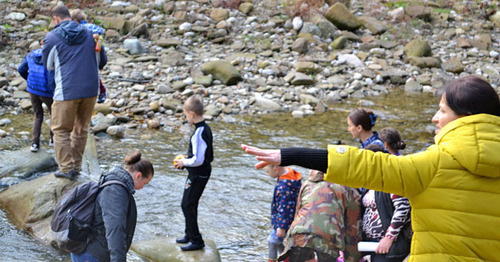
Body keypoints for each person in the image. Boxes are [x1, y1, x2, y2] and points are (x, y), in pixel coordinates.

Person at [241, 75, 500, 261]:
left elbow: (366, 166)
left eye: (442, 110)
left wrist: (289, 154)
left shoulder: (436, 163)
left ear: (465, 118)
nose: (434, 117)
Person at [42, 5, 107, 179]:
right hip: (91, 89)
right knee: (81, 129)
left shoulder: (51, 38)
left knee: (61, 129)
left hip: (67, 89)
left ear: (56, 19)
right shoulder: (90, 33)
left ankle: (66, 168)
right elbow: (101, 61)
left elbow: (48, 65)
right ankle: (77, 167)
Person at [71, 150, 154, 262]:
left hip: (92, 251)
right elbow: (115, 228)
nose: (143, 187)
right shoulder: (115, 191)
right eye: (145, 183)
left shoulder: (116, 183)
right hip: (92, 255)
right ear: (138, 175)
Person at [280, 170, 361, 262]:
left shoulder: (307, 183)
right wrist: (352, 259)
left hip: (298, 234)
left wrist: (288, 241)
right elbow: (353, 228)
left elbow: (298, 212)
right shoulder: (349, 190)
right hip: (329, 239)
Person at [173, 95, 213, 251]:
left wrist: (184, 162)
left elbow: (199, 159)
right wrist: (187, 157)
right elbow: (197, 156)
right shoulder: (204, 128)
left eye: (185, 115)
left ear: (191, 114)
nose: (185, 118)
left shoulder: (199, 133)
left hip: (198, 173)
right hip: (199, 173)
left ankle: (196, 240)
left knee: (187, 204)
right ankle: (189, 234)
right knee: (190, 203)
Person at [362, 144, 411, 262]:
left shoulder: (391, 181)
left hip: (388, 245)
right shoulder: (373, 182)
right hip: (372, 243)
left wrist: (389, 238)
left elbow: (403, 208)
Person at [17, 48, 55, 152]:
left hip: (33, 90)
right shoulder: (51, 56)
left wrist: (29, 80)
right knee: (54, 114)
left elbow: (21, 69)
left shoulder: (30, 55)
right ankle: (52, 140)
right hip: (47, 92)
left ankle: (35, 144)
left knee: (38, 116)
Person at [264, 165, 302, 262]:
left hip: (284, 222)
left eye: (268, 171)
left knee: (272, 241)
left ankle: (271, 260)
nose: (267, 174)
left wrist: (281, 226)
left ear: (276, 169)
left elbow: (284, 208)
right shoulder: (291, 176)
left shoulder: (283, 187)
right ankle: (286, 259)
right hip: (291, 219)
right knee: (279, 241)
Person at [70, 9, 107, 103]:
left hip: (85, 56)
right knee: (94, 75)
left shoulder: (80, 29)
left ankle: (100, 92)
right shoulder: (92, 27)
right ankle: (101, 92)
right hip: (94, 54)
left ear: (74, 20)